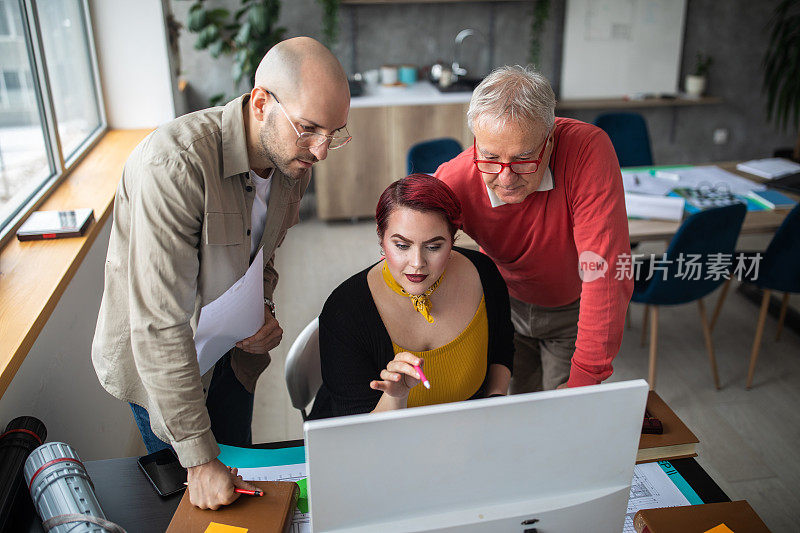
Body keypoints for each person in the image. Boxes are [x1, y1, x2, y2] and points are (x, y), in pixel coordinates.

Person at [91, 37, 350, 509]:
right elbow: (157, 325)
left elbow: (262, 256)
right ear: (260, 103)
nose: (322, 151)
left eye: (335, 133)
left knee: (240, 485)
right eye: (310, 129)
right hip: (167, 368)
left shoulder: (292, 160)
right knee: (195, 502)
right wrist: (197, 459)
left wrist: (261, 306)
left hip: (230, 354)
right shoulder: (173, 166)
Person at [435, 65, 633, 392]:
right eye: (490, 157)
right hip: (504, 305)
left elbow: (606, 270)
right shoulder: (455, 179)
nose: (506, 177)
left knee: (564, 419)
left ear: (550, 139)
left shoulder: (587, 150)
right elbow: (410, 250)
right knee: (517, 409)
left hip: (572, 307)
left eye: (524, 159)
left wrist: (583, 383)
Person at [308, 174, 514, 419]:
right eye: (402, 246)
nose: (417, 263)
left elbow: (502, 347)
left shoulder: (484, 274)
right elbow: (356, 433)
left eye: (434, 247)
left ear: (453, 239)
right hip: (372, 443)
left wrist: (494, 405)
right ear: (381, 239)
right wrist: (396, 396)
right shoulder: (344, 310)